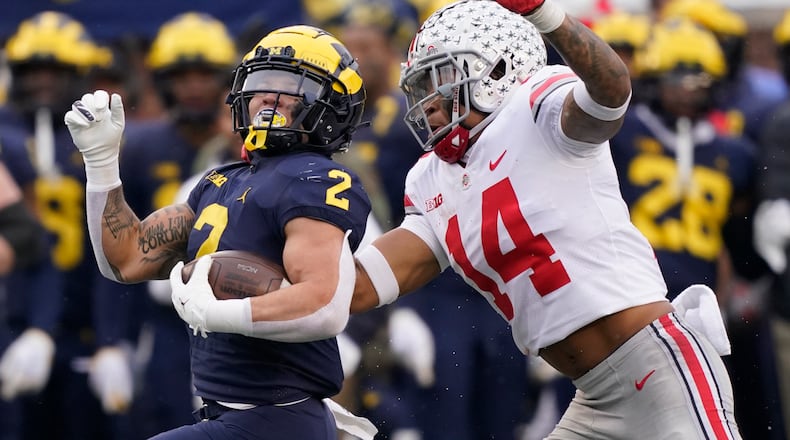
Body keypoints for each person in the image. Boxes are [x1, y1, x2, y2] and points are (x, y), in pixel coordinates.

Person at [340, 0, 739, 438]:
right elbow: (361, 285)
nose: (427, 100)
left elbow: (611, 91)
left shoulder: (535, 106)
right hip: (592, 394)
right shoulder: (432, 178)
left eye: (442, 77)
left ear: (496, 71)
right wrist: (272, 286)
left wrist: (546, 14)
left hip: (656, 365)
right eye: (420, 86)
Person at [66, 25, 376, 439]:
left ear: (329, 106)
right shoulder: (219, 182)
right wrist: (101, 164)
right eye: (260, 83)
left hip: (277, 415)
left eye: (288, 86)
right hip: (228, 413)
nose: (267, 96)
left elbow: (323, 306)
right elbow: (126, 259)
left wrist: (217, 313)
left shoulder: (317, 179)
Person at [102, 12, 239, 438]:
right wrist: (113, 340)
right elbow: (115, 243)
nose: (195, 87)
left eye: (205, 75)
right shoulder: (142, 147)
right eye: (183, 76)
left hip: (237, 312)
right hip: (164, 315)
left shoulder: (245, 143)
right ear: (163, 81)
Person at [0, 11, 134, 439]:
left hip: (84, 318)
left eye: (54, 72)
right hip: (15, 315)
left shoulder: (101, 139)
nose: (41, 83)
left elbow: (119, 237)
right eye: (31, 71)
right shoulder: (7, 136)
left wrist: (113, 338)